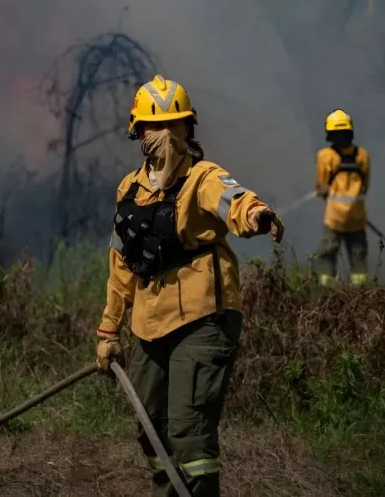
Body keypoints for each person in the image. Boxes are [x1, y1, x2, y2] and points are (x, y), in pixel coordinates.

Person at [95, 75, 284, 496]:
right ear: (137, 132)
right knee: (151, 429)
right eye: (153, 127)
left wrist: (257, 215)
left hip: (202, 319)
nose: (163, 135)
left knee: (189, 432)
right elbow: (121, 265)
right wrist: (109, 330)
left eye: (173, 125)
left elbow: (234, 200)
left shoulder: (202, 177)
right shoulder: (129, 189)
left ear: (188, 129)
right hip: (148, 324)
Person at [311, 108, 371, 287]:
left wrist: (327, 194)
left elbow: (321, 188)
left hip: (334, 219)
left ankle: (327, 291)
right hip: (357, 218)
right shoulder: (362, 155)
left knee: (327, 254)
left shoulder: (325, 156)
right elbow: (365, 186)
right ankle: (359, 294)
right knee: (358, 257)